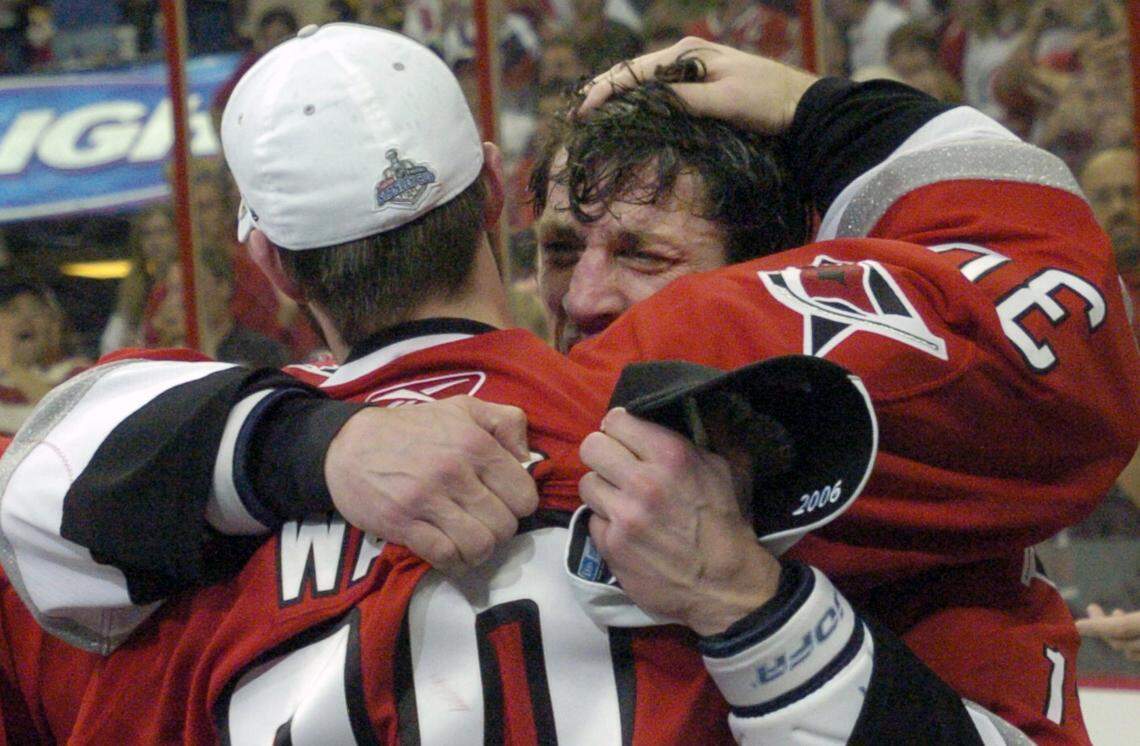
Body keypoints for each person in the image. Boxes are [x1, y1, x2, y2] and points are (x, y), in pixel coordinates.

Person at [3, 28, 1138, 744]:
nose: (589, 293)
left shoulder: (161, 526)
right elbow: (1056, 308)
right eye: (559, 248)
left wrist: (293, 449)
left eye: (640, 250)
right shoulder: (783, 422)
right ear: (494, 196)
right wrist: (833, 109)